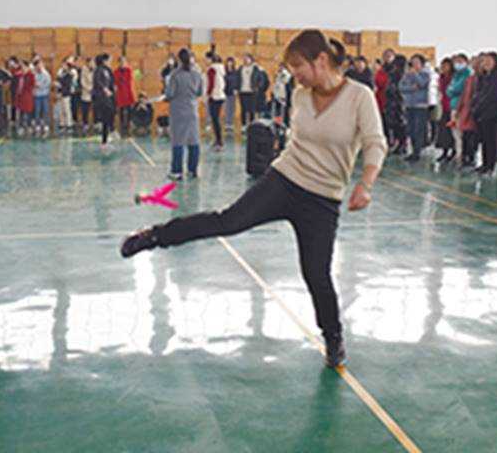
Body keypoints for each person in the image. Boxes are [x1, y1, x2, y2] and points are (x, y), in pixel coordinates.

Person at [121, 30, 386, 369]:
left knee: (316, 273)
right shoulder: (300, 95)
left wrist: (365, 183)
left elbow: (375, 143)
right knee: (227, 221)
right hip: (284, 180)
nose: (295, 75)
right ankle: (155, 236)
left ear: (321, 60)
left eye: (299, 66)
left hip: (323, 199)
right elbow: (297, 142)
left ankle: (333, 338)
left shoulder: (359, 97)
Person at [165, 48, 203, 180]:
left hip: (178, 112)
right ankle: (193, 170)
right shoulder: (197, 74)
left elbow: (170, 94)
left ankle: (177, 171)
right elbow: (200, 92)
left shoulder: (175, 75)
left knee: (178, 141)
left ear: (179, 59)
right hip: (192, 110)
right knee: (194, 141)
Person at [471, 52, 497, 175]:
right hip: (482, 113)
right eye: (484, 61)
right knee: (484, 140)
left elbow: (490, 96)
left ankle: (491, 166)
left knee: (491, 141)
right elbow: (478, 93)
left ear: (496, 62)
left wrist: (478, 107)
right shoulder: (484, 76)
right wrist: (475, 106)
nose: (486, 63)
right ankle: (485, 164)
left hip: (492, 113)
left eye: (489, 61)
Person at [399, 54, 431, 162]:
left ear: (422, 64)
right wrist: (411, 88)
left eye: (417, 62)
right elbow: (401, 87)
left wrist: (415, 74)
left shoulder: (425, 74)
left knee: (418, 129)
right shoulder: (407, 74)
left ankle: (417, 152)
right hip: (409, 105)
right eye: (413, 62)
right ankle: (412, 151)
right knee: (410, 129)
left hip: (420, 106)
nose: (414, 64)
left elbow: (422, 84)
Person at [447, 54, 472, 165]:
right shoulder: (456, 75)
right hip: (453, 106)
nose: (457, 64)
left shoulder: (467, 74)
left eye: (460, 61)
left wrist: (452, 89)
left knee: (462, 134)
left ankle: (462, 156)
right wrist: (452, 89)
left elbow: (459, 88)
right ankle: (458, 154)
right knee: (455, 133)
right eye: (456, 62)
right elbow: (448, 91)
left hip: (462, 108)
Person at [93, 53, 116, 149]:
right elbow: (98, 81)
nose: (110, 62)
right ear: (104, 61)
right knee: (106, 117)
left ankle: (107, 136)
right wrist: (105, 89)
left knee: (110, 114)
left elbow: (111, 81)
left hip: (108, 97)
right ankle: (104, 141)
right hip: (101, 98)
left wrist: (112, 88)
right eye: (109, 60)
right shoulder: (98, 70)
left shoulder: (108, 70)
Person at [435, 58, 456, 163]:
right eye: (443, 65)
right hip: (444, 106)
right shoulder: (441, 78)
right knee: (443, 131)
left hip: (452, 106)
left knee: (452, 131)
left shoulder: (454, 78)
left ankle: (454, 152)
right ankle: (444, 152)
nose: (444, 68)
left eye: (447, 65)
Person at [205, 51, 226, 151]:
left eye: (207, 58)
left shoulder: (212, 69)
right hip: (220, 95)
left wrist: (208, 94)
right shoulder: (221, 68)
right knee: (216, 119)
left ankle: (219, 141)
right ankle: (218, 140)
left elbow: (211, 83)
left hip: (214, 96)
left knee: (215, 119)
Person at [238, 54, 262, 129]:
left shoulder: (255, 69)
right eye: (244, 58)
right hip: (242, 91)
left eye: (247, 58)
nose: (245, 60)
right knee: (243, 109)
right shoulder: (241, 68)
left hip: (252, 91)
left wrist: (257, 87)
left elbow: (260, 78)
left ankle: (251, 126)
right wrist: (237, 87)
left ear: (251, 60)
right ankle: (244, 125)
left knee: (252, 109)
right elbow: (237, 78)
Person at [114, 56, 136, 136]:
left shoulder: (129, 70)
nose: (122, 63)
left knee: (129, 110)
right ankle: (122, 125)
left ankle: (129, 124)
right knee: (121, 111)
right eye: (121, 62)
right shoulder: (116, 71)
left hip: (128, 92)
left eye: (124, 62)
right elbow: (116, 81)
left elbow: (129, 80)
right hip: (120, 93)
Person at [55, 56, 77, 135]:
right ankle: (62, 123)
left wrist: (61, 89)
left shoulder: (69, 75)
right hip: (60, 94)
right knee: (61, 110)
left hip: (66, 94)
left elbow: (67, 85)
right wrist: (58, 91)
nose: (63, 66)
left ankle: (69, 124)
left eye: (64, 65)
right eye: (62, 65)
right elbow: (58, 82)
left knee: (67, 109)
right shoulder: (61, 74)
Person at [32, 57, 51, 137]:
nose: (39, 66)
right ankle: (38, 125)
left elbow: (48, 83)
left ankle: (46, 125)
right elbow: (32, 83)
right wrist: (35, 85)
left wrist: (40, 85)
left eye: (40, 64)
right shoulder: (34, 74)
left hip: (44, 94)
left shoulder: (46, 74)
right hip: (37, 95)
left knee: (45, 110)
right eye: (37, 65)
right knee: (37, 110)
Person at [224, 56, 240, 135]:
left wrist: (236, 89)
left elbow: (237, 81)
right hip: (226, 92)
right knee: (227, 108)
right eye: (228, 62)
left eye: (231, 62)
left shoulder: (235, 72)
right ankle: (227, 124)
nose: (229, 63)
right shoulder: (224, 72)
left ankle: (231, 124)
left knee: (232, 108)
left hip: (233, 92)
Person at [79, 57, 95, 134]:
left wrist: (93, 89)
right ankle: (85, 123)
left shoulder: (95, 70)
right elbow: (82, 82)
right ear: (87, 63)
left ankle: (96, 122)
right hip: (86, 93)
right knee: (85, 110)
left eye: (92, 62)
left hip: (94, 93)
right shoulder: (84, 70)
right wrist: (88, 89)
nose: (91, 64)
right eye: (90, 62)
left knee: (95, 109)